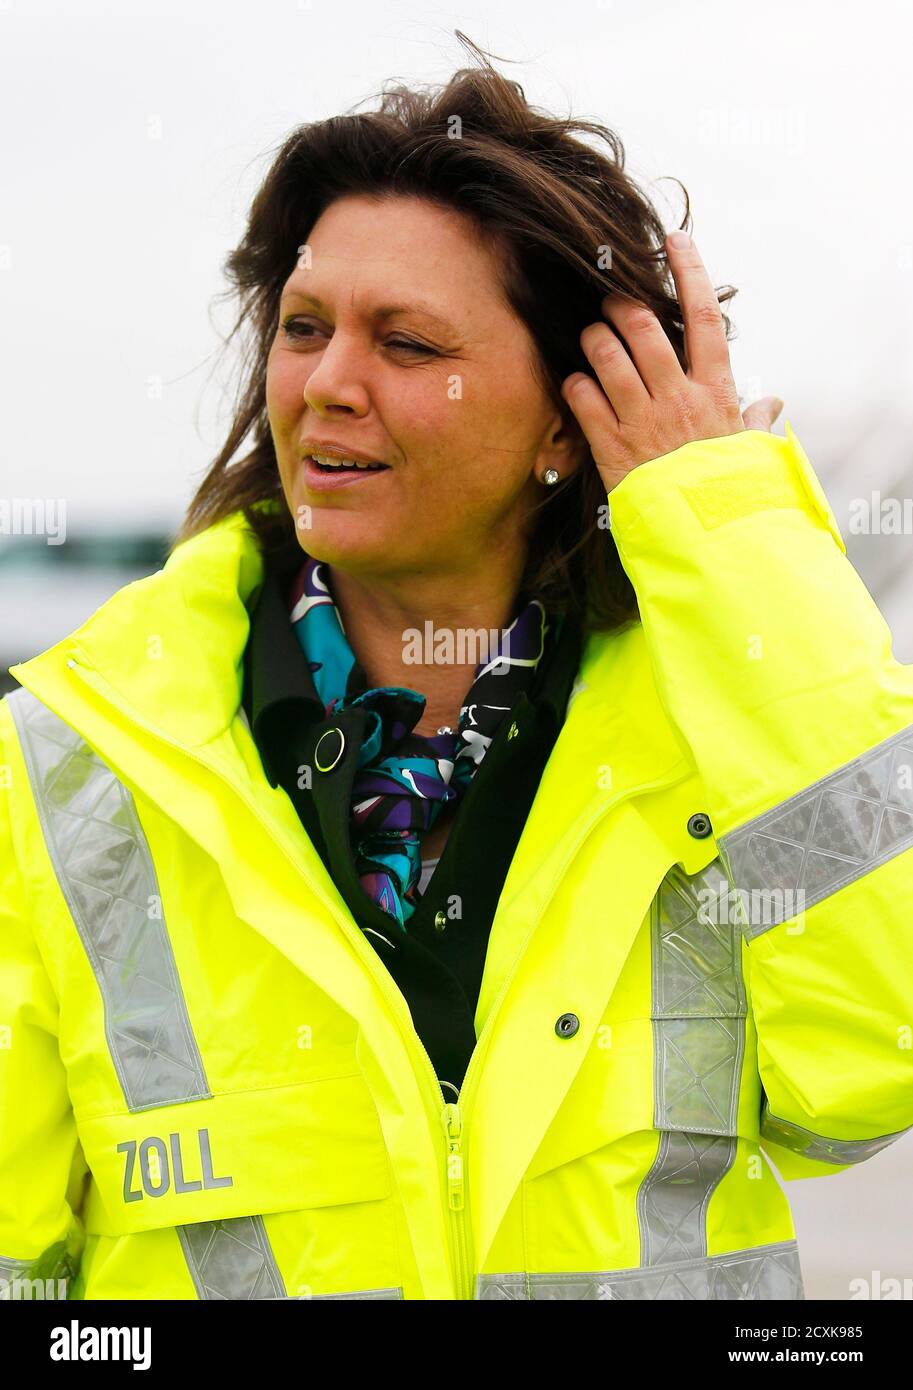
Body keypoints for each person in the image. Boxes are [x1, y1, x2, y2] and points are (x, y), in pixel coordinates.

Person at [2, 37, 912, 1302]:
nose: (327, 385)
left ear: (564, 416)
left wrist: (729, 539)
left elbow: (877, 1064)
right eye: (304, 328)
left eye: (409, 345)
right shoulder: (72, 759)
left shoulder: (717, 729)